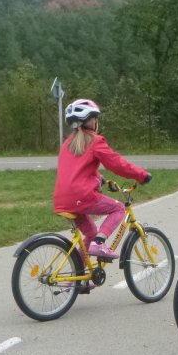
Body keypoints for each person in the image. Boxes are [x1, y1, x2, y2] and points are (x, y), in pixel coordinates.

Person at [54, 98, 151, 265]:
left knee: (91, 233)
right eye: (95, 119)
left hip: (62, 200)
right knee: (118, 208)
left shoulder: (67, 143)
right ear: (91, 121)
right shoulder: (95, 141)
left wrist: (99, 179)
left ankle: (79, 274)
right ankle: (99, 243)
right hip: (81, 197)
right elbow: (117, 164)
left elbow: (76, 170)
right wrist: (141, 175)